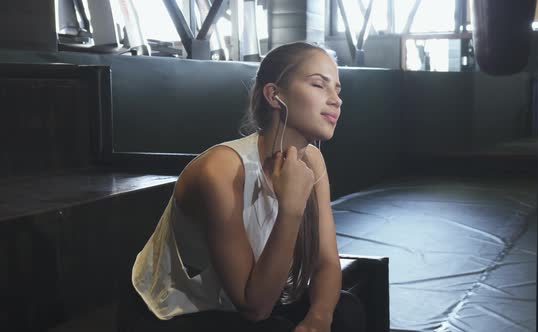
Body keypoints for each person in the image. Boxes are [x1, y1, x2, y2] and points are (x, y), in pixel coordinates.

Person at [117, 41, 365, 332]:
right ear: (274, 95)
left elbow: (326, 261)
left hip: (249, 297)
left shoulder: (313, 161)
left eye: (337, 89)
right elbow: (255, 308)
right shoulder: (219, 171)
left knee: (346, 310)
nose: (336, 99)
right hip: (175, 313)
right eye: (318, 85)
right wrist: (291, 208)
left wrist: (319, 318)